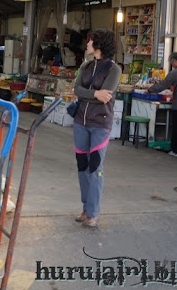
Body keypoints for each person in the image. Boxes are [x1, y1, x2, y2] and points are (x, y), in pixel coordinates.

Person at [72, 29, 122, 227]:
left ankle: (93, 212)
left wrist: (88, 94)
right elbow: (76, 89)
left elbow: (106, 96)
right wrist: (94, 94)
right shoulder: (85, 66)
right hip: (80, 122)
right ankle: (86, 208)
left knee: (95, 166)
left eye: (90, 40)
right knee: (82, 166)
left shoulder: (114, 69)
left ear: (99, 44)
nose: (87, 44)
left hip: (100, 124)